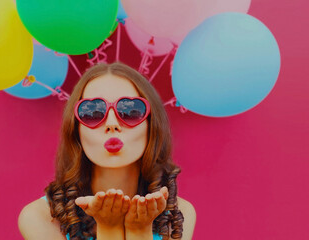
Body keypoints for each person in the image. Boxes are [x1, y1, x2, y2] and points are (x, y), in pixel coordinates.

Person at [18, 62, 196, 240]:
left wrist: (139, 230)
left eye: (130, 110)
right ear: (75, 130)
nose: (112, 124)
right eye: (93, 112)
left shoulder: (177, 214)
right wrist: (109, 228)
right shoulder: (40, 217)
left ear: (152, 125)